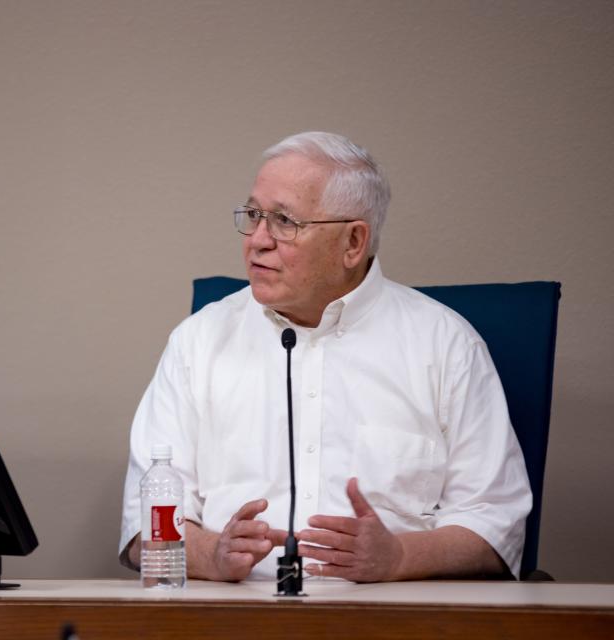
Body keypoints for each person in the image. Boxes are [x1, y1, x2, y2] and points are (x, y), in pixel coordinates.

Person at [118, 131, 531, 583]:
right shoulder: (198, 342)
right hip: (233, 619)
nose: (257, 240)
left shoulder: (446, 345)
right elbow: (145, 529)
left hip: (392, 621)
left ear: (353, 242)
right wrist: (211, 555)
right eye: (254, 215)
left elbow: (498, 523)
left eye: (284, 222)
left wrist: (400, 558)